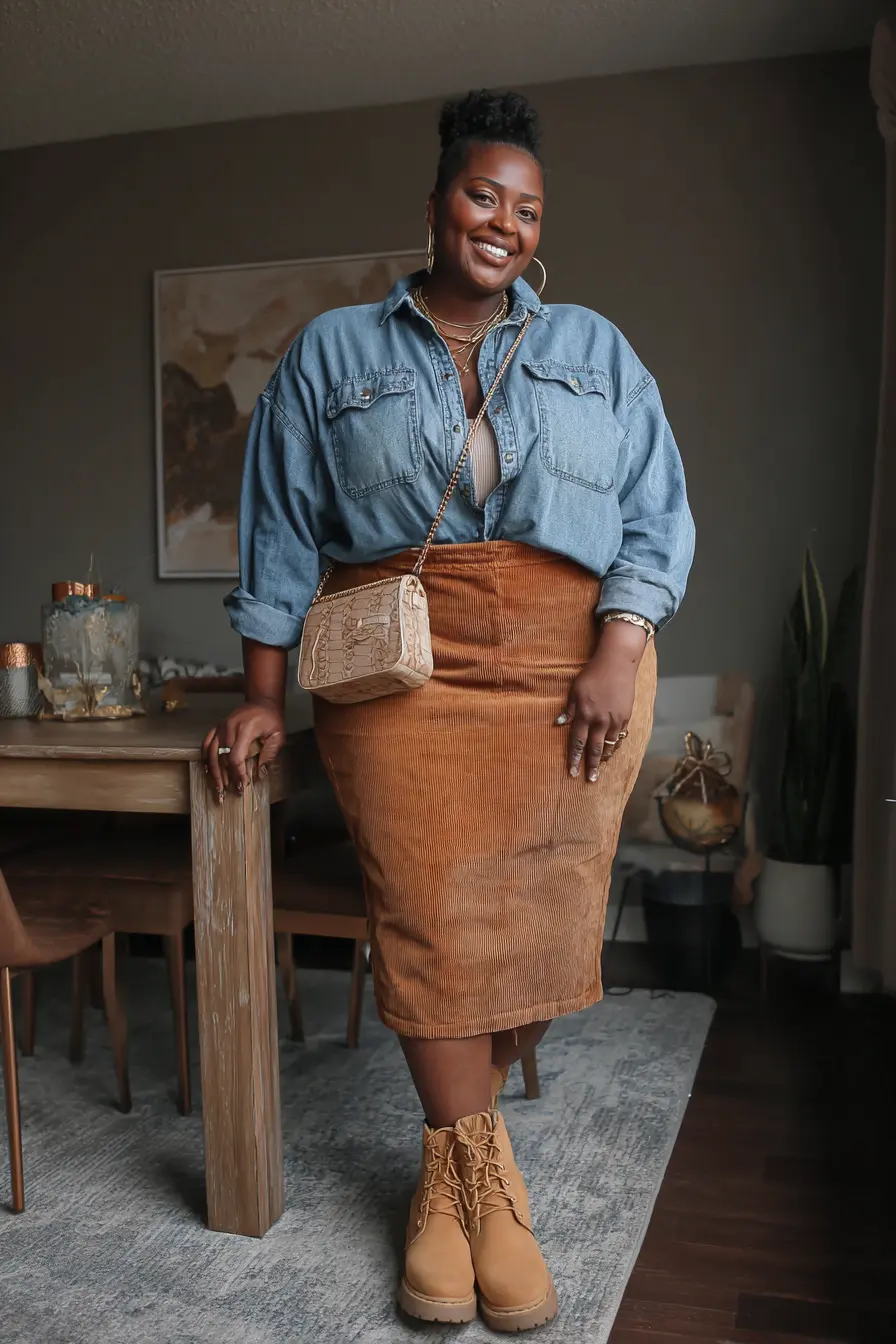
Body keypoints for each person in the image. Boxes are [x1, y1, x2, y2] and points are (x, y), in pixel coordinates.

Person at [206, 89, 694, 1334]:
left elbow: (654, 517)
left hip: (567, 670)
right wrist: (264, 698)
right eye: (483, 195)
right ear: (434, 205)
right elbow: (274, 532)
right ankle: (480, 1181)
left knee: (533, 918)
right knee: (425, 917)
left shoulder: (596, 350)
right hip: (400, 678)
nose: (504, 222)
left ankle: (444, 1177)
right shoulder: (332, 354)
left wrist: (621, 646)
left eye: (527, 208)